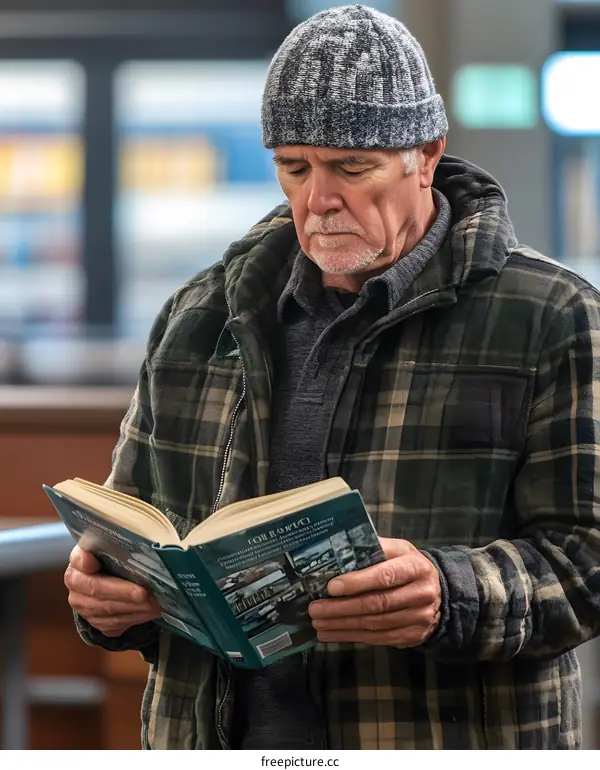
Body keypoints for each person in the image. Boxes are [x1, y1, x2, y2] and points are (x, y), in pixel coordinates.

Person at [64, 4, 600, 750]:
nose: (319, 200)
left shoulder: (551, 316)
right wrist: (102, 600)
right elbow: (129, 530)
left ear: (425, 152)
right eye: (294, 167)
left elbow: (588, 558)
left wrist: (453, 594)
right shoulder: (199, 315)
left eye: (352, 168)